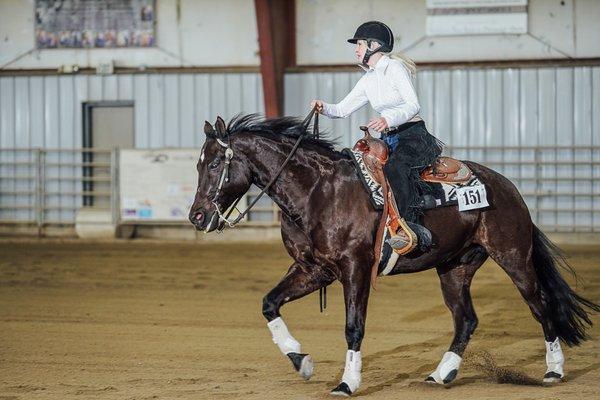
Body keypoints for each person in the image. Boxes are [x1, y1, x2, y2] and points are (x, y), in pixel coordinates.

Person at [311, 21, 443, 251]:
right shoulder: (368, 79)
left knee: (395, 169)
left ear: (374, 45)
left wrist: (387, 119)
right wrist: (325, 107)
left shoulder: (395, 68)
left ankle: (409, 229)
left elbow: (413, 105)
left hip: (411, 135)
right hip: (388, 138)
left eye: (360, 44)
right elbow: (342, 109)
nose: (356, 49)